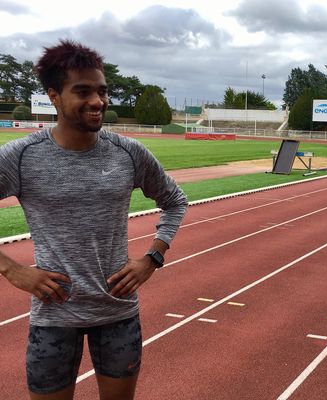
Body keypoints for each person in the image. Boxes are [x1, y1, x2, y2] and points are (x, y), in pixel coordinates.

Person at [0, 40, 188, 400]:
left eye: (102, 91)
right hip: (54, 314)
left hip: (116, 310)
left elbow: (175, 201)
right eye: (82, 91)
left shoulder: (128, 153)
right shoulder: (22, 157)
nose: (98, 101)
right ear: (54, 95)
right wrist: (13, 270)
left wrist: (153, 258)